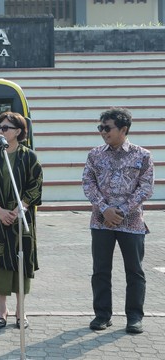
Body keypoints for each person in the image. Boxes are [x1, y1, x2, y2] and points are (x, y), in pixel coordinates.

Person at [83, 107, 154, 334]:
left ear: (123, 129)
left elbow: (146, 188)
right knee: (100, 270)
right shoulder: (94, 155)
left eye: (107, 128)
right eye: (100, 127)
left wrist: (120, 211)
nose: (103, 132)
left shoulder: (142, 155)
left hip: (131, 222)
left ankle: (134, 317)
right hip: (100, 221)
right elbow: (88, 184)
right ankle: (102, 316)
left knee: (134, 271)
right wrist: (105, 209)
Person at [0, 111, 43, 330]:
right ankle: (2, 310)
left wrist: (16, 211)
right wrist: (0, 211)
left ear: (18, 131)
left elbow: (35, 187)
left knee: (20, 262)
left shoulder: (29, 157)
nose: (1, 131)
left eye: (5, 128)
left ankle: (20, 311)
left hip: (21, 219)